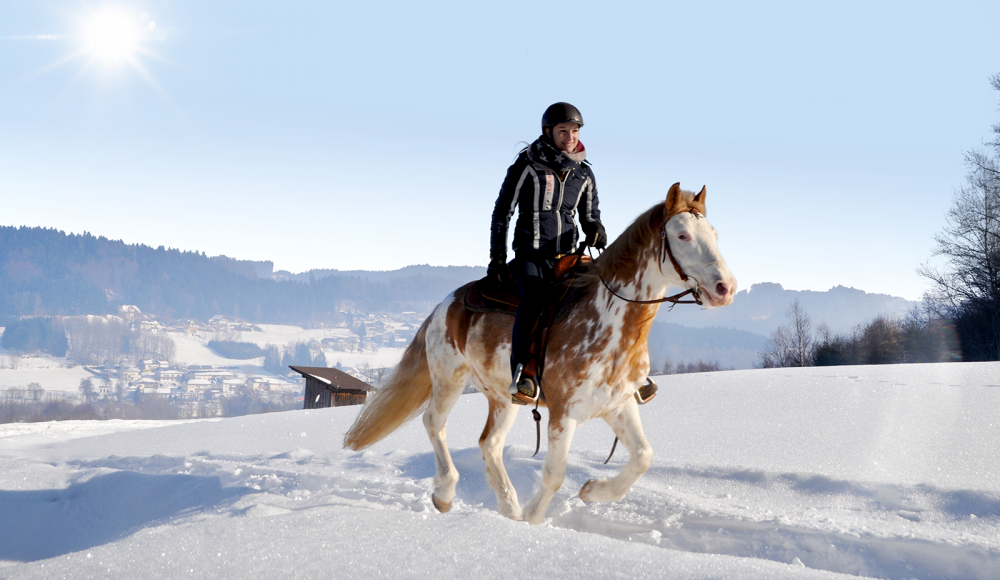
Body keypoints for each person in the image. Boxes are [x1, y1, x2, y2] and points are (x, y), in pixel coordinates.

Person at [488, 102, 607, 403]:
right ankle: (523, 376)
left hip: (568, 254)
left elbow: (589, 215)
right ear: (548, 132)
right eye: (563, 131)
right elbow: (502, 212)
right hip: (531, 254)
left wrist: (596, 228)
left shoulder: (584, 174)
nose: (569, 137)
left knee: (603, 292)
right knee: (534, 302)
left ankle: (619, 367)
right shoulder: (527, 165)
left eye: (574, 131)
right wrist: (497, 258)